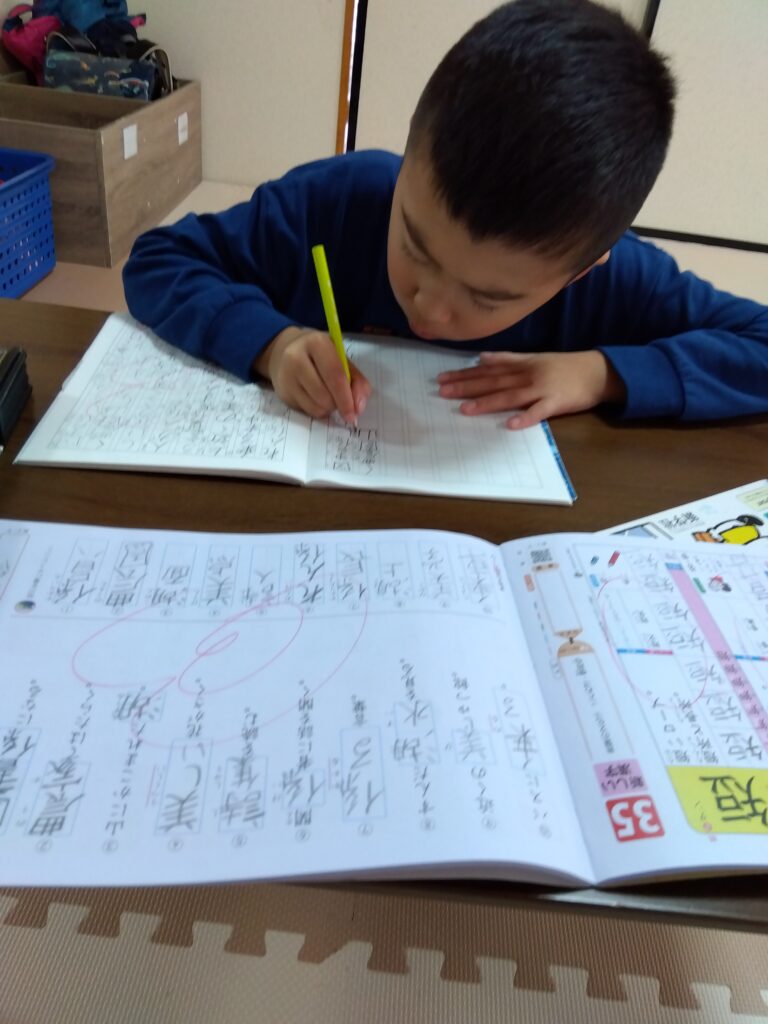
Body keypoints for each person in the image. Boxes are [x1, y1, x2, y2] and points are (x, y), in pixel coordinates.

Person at [123, 0, 768, 431]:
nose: (429, 309)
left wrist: (603, 374)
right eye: (415, 246)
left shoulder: (617, 277)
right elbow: (159, 259)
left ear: (580, 271)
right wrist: (273, 343)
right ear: (408, 155)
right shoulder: (341, 198)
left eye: (487, 297)